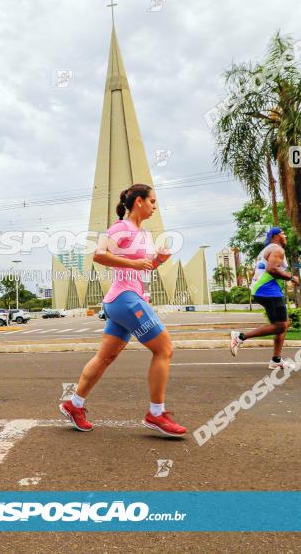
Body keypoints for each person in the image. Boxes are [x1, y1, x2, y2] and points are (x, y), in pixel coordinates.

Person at [59, 184, 186, 437]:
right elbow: (99, 255)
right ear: (139, 201)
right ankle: (156, 413)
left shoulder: (144, 234)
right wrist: (134, 262)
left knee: (105, 357)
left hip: (125, 299)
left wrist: (160, 259)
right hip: (125, 298)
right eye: (152, 201)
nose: (154, 206)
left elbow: (144, 267)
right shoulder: (121, 228)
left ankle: (74, 405)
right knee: (164, 349)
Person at [229, 227, 300, 369]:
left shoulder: (269, 249)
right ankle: (240, 337)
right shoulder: (277, 250)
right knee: (281, 325)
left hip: (265, 289)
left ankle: (276, 360)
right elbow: (272, 269)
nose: (285, 236)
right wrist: (291, 277)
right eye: (283, 233)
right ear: (276, 236)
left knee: (282, 325)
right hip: (268, 290)